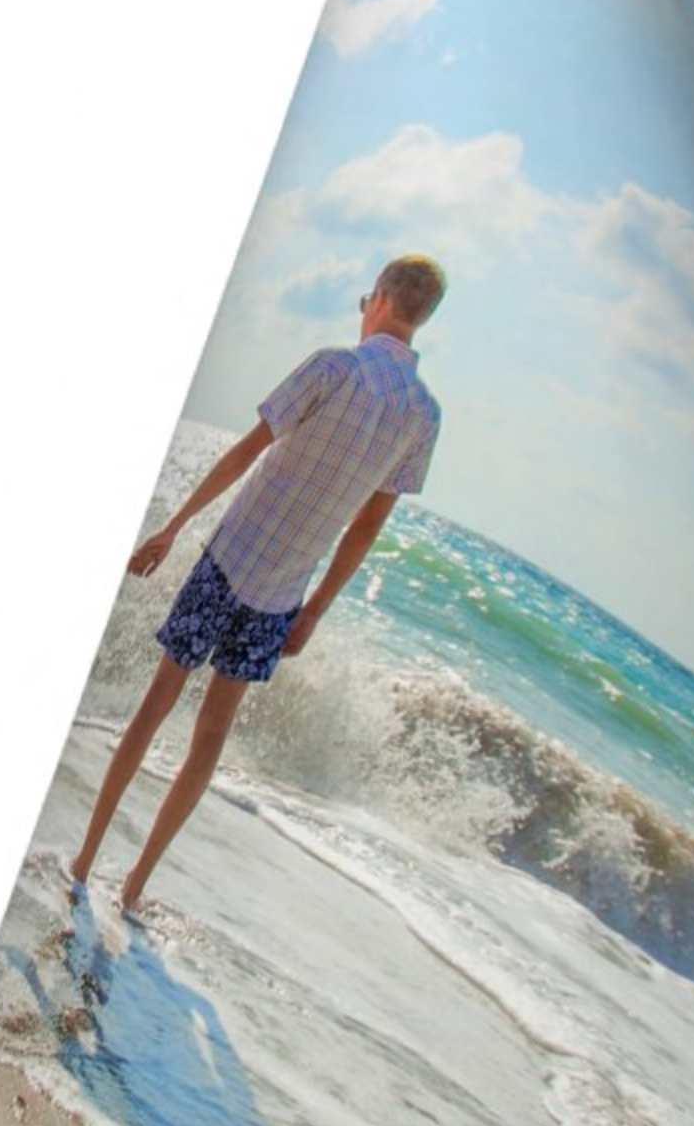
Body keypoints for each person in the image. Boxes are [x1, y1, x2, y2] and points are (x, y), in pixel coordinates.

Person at [70, 253, 447, 910]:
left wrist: (174, 527)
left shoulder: (335, 366)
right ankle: (133, 889)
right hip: (281, 596)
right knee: (210, 738)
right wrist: (315, 610)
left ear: (382, 298)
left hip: (229, 558)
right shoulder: (424, 414)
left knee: (156, 706)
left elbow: (247, 451)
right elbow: (366, 528)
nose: (363, 310)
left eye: (367, 299)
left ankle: (82, 864)